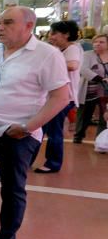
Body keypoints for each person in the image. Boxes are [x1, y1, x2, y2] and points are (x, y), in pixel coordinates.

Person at [0, 7, 71, 239]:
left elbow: (61, 97)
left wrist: (29, 126)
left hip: (18, 134)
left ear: (29, 26)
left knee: (12, 187)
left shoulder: (46, 55)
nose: (0, 27)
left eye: (8, 22)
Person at [36, 21, 83, 173]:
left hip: (63, 98)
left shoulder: (72, 48)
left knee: (53, 131)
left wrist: (50, 62)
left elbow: (73, 65)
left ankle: (53, 163)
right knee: (40, 129)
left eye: (54, 33)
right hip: (53, 97)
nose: (51, 36)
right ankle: (31, 159)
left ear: (66, 34)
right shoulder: (60, 50)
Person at [74, 33, 107, 143]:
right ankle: (78, 135)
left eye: (101, 42)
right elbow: (83, 69)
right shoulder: (87, 54)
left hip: (105, 91)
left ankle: (100, 140)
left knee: (105, 116)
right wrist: (98, 78)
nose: (97, 44)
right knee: (84, 115)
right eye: (95, 42)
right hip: (89, 91)